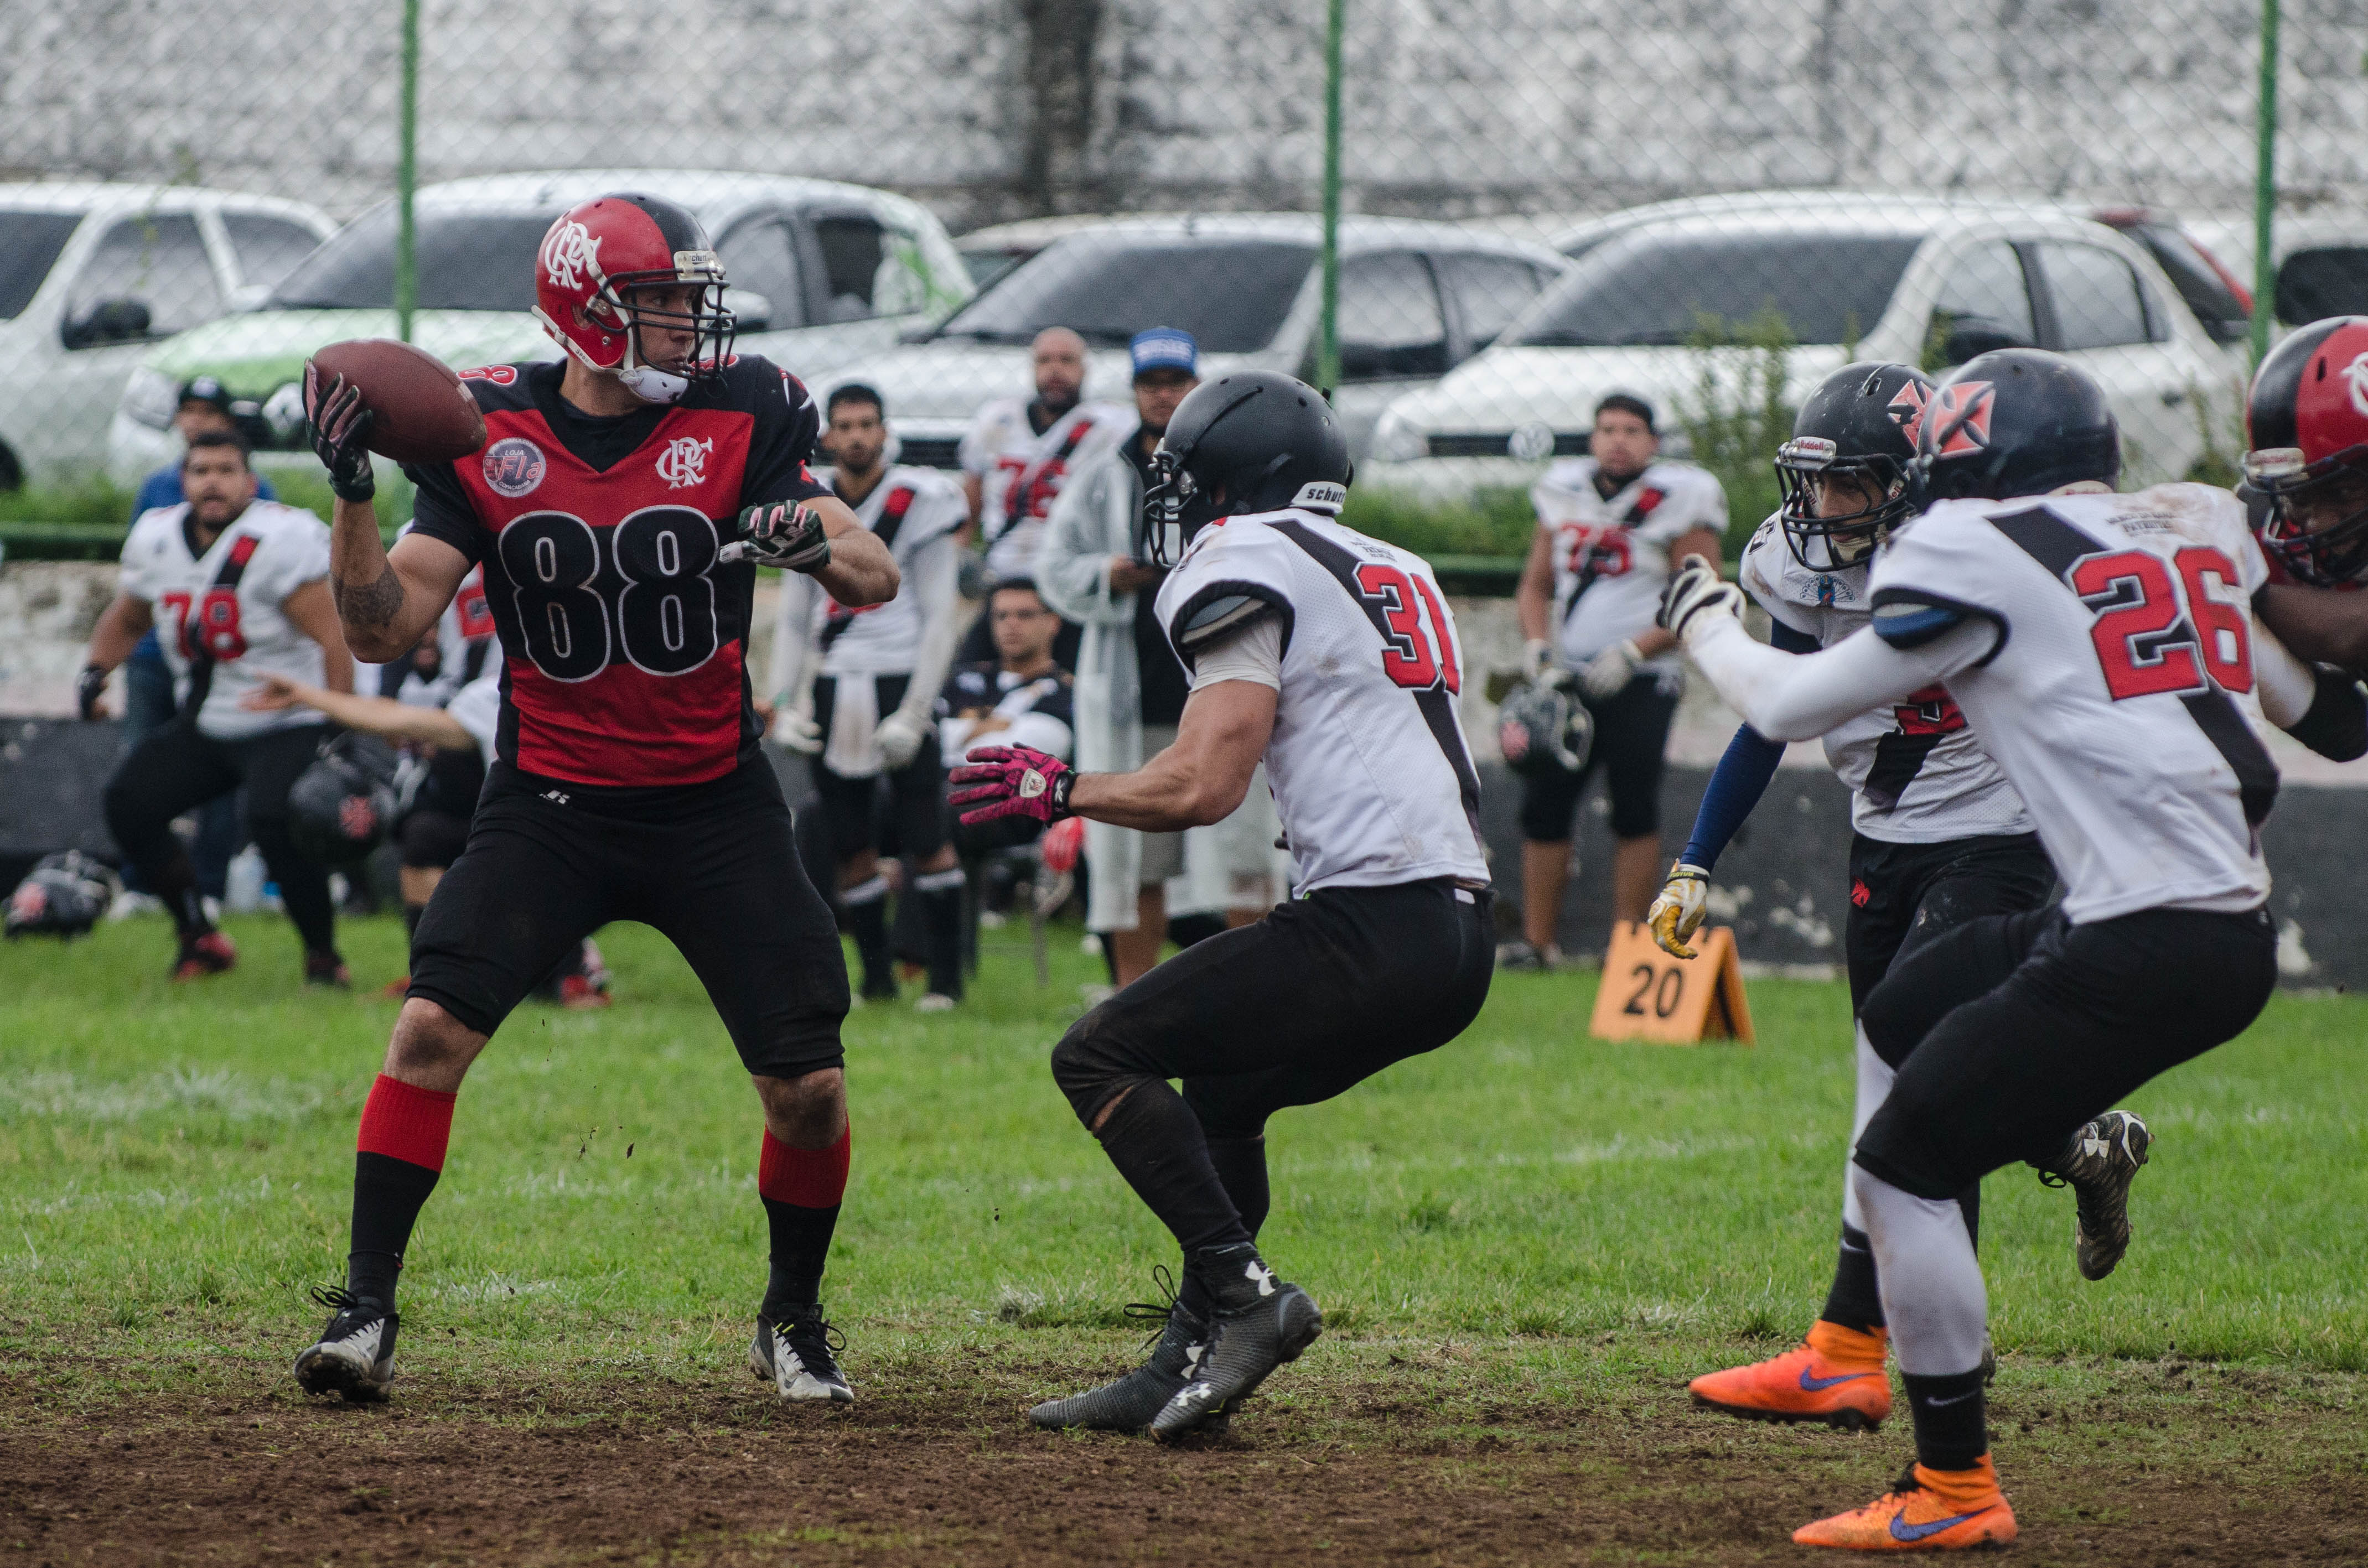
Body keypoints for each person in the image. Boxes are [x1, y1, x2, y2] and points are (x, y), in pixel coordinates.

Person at [1657, 349, 2359, 1550]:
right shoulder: (2190, 528)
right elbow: (2335, 720)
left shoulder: (1976, 551)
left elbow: (1781, 705)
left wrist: (1703, 622)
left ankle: (1952, 1487)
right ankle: (1911, 1306)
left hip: (2138, 931)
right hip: (2198, 916)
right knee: (1901, 1013)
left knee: (1901, 1165)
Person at [287, 191, 898, 1409]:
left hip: (713, 800)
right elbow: (380, 630)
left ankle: (792, 1319)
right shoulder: (483, 424)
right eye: (663, 303)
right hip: (551, 801)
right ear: (589, 312)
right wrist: (354, 489)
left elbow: (871, 573)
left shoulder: (753, 406)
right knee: (425, 1033)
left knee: (811, 1086)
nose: (688, 325)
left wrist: (804, 539)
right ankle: (363, 1313)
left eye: (688, 301)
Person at [951, 371, 1494, 1441]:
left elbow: (1204, 785)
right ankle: (1179, 1362)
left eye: (1187, 480)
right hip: (1455, 932)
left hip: (1371, 919)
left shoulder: (1243, 557)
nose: (1177, 502)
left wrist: (1061, 787)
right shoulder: (1395, 564)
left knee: (1096, 1053)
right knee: (1224, 1092)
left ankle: (1246, 1298)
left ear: (1233, 482)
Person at [1651, 364, 2148, 1435]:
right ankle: (2077, 1145)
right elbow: (1769, 717)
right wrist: (1698, 854)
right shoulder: (1797, 560)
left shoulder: (1975, 553)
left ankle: (1878, 1353)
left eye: (1854, 486)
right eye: (1815, 486)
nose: (1826, 511)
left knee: (1918, 1084)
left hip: (2003, 837)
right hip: (1883, 841)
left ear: (1916, 481)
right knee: (1917, 1085)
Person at [1038, 328, 1280, 984]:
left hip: (1229, 683)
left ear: (1197, 388)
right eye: (1152, 384)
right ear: (1135, 390)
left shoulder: (1232, 467)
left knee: (1247, 848)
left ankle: (1259, 996)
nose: (1163, 395)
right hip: (1132, 686)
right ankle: (1131, 1000)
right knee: (1133, 855)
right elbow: (1054, 564)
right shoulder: (1103, 473)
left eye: (1175, 383)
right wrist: (1109, 576)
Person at [77, 430, 353, 983]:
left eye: (226, 469)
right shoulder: (157, 540)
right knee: (129, 801)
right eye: (201, 469)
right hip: (208, 721)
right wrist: (95, 672)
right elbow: (130, 616)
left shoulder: (279, 538)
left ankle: (323, 955)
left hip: (284, 715)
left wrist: (338, 722)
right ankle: (196, 933)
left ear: (250, 482)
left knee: (275, 818)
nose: (213, 481)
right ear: (184, 481)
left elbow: (333, 635)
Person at [1503, 393, 1727, 969]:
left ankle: (1627, 947)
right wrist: (1536, 645)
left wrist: (1633, 651)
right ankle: (1537, 943)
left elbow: (1698, 594)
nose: (1618, 440)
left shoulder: (1683, 497)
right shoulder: (1563, 489)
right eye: (1606, 428)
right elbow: (1533, 587)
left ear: (1654, 442)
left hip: (1643, 676)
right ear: (1591, 438)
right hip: (1568, 677)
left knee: (1632, 806)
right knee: (1545, 805)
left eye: (1631, 429)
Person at [771, 383, 970, 1008]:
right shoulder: (808, 499)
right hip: (837, 679)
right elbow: (796, 615)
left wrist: (916, 708)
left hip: (898, 671)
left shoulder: (923, 499)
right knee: (847, 836)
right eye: (845, 425)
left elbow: (941, 613)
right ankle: (877, 978)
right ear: (828, 435)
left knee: (925, 832)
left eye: (867, 424)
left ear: (885, 431)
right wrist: (787, 701)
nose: (857, 436)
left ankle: (944, 981)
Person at [114, 377, 279, 911]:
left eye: (212, 411)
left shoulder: (266, 505)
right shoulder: (155, 497)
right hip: (156, 655)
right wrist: (97, 668)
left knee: (221, 780)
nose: (200, 421)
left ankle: (210, 887)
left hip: (228, 663)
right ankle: (142, 886)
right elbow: (135, 595)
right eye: (190, 410)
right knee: (137, 773)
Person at [957, 325, 1127, 667]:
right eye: (1045, 360)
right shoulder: (997, 420)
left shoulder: (1112, 426)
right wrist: (963, 556)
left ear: (1084, 370)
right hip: (1002, 578)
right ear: (1032, 368)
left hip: (1068, 578)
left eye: (1067, 360)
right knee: (968, 675)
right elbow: (971, 498)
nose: (1055, 370)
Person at [2236, 315, 2368, 684]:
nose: (2317, 522)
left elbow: (2350, 633)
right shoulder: (2257, 516)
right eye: (2297, 494)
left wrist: (2239, 587)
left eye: (2341, 491)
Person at [937, 578, 1077, 918]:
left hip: (1017, 806)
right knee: (825, 810)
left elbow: (1021, 749)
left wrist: (963, 732)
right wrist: (989, 728)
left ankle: (924, 952)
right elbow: (927, 739)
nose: (1010, 625)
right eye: (1000, 616)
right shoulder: (965, 678)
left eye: (1024, 615)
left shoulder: (1067, 691)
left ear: (1053, 622)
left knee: (936, 807)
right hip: (948, 791)